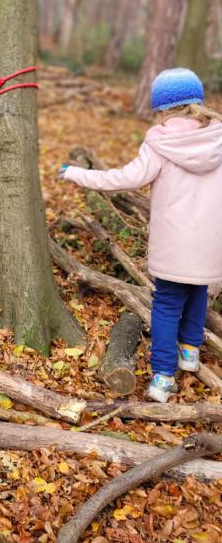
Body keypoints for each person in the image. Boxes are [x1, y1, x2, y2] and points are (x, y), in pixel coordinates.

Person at [60, 68, 222, 403]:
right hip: (210, 241)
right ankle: (189, 351)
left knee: (165, 305)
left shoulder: (161, 141)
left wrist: (78, 173)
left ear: (163, 107)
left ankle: (162, 377)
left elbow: (125, 178)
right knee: (198, 290)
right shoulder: (218, 137)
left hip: (174, 243)